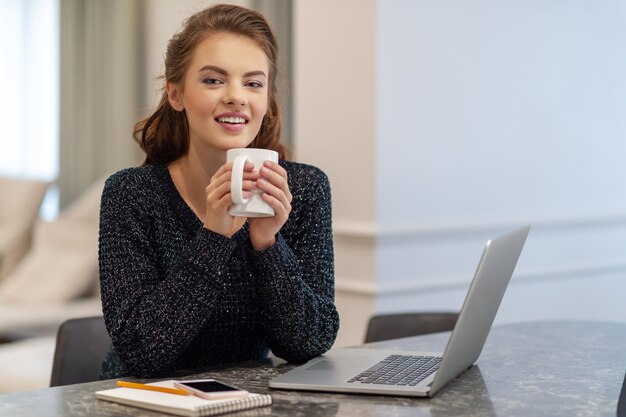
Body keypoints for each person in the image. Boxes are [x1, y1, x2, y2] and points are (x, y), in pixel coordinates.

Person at [98, 4, 339, 378]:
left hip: (245, 401)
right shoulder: (131, 194)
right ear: (176, 94)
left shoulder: (305, 189)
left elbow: (307, 344)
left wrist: (268, 245)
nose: (235, 96)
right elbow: (141, 351)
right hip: (144, 402)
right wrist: (214, 236)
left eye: (253, 83)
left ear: (267, 101)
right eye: (213, 80)